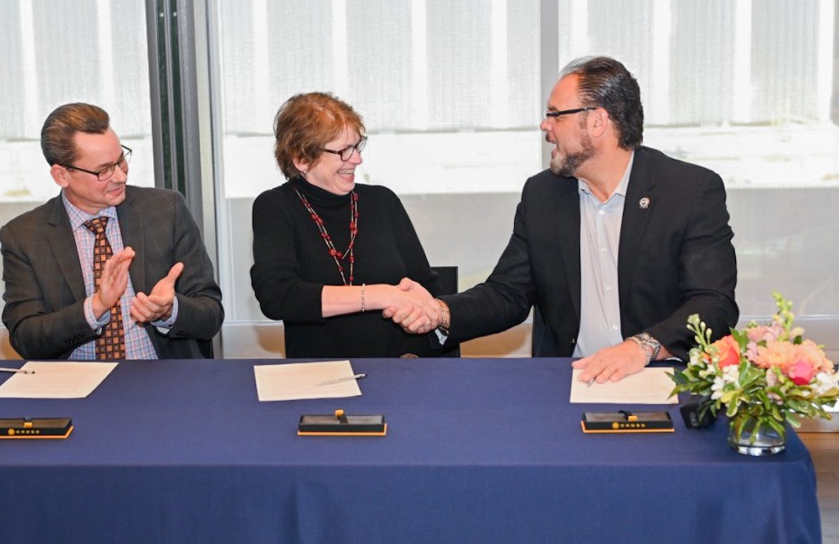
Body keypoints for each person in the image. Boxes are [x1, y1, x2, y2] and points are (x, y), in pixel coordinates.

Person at [390, 56, 738, 383]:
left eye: (556, 115)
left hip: (660, 378)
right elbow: (507, 294)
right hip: (568, 381)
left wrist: (641, 347)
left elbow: (712, 302)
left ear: (598, 121)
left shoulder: (688, 191)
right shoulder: (543, 195)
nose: (545, 126)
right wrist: (440, 311)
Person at [0, 102, 223, 360]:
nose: (120, 176)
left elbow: (211, 315)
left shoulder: (165, 210)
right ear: (62, 175)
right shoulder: (24, 236)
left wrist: (169, 310)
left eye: (121, 161)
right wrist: (96, 307)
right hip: (75, 388)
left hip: (160, 379)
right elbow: (26, 338)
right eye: (104, 170)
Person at [250, 92, 442, 358]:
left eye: (357, 146)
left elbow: (425, 288)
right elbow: (278, 296)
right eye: (343, 151)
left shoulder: (382, 201)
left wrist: (420, 339)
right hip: (321, 378)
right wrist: (380, 295)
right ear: (301, 159)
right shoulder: (276, 206)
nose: (356, 159)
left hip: (399, 371)